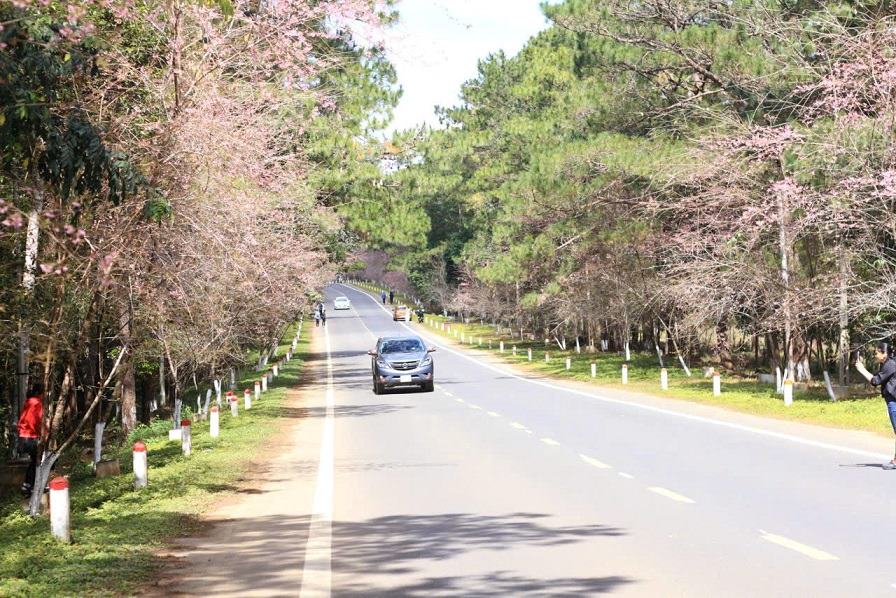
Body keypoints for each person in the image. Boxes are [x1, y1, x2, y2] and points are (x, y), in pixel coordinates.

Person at [856, 342, 896, 469]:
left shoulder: (890, 365)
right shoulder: (888, 364)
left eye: (877, 352)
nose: (875, 355)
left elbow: (875, 381)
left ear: (884, 354)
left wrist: (861, 369)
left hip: (893, 401)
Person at [17, 383, 44, 497]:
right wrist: (42, 434)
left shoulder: (28, 402)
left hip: (23, 436)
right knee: (39, 461)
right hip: (31, 437)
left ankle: (27, 486)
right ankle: (34, 487)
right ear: (40, 393)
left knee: (33, 461)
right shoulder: (37, 403)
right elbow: (37, 421)